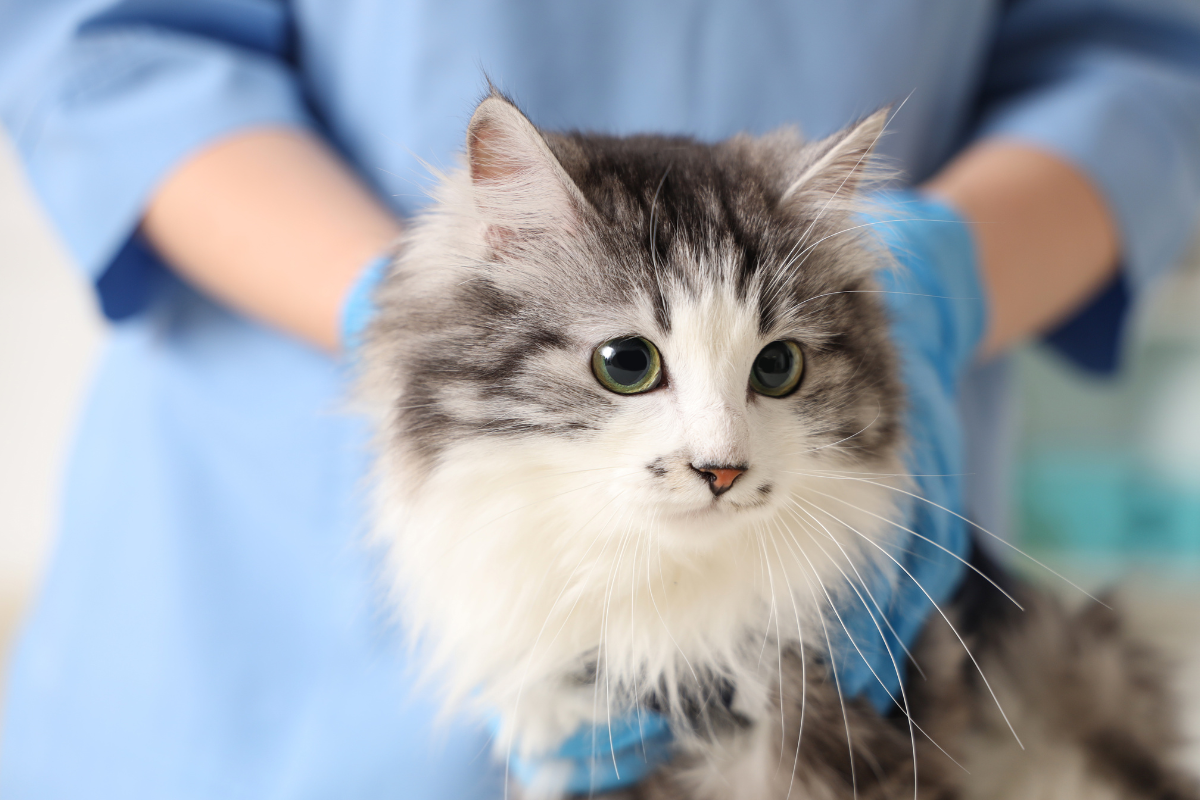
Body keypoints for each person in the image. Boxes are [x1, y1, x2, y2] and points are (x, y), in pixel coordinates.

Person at [1, 2, 1199, 797]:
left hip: (857, 605)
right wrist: (393, 304)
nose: (715, 452)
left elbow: (1140, 65)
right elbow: (108, 49)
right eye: (636, 369)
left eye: (760, 376)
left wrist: (943, 270)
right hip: (256, 641)